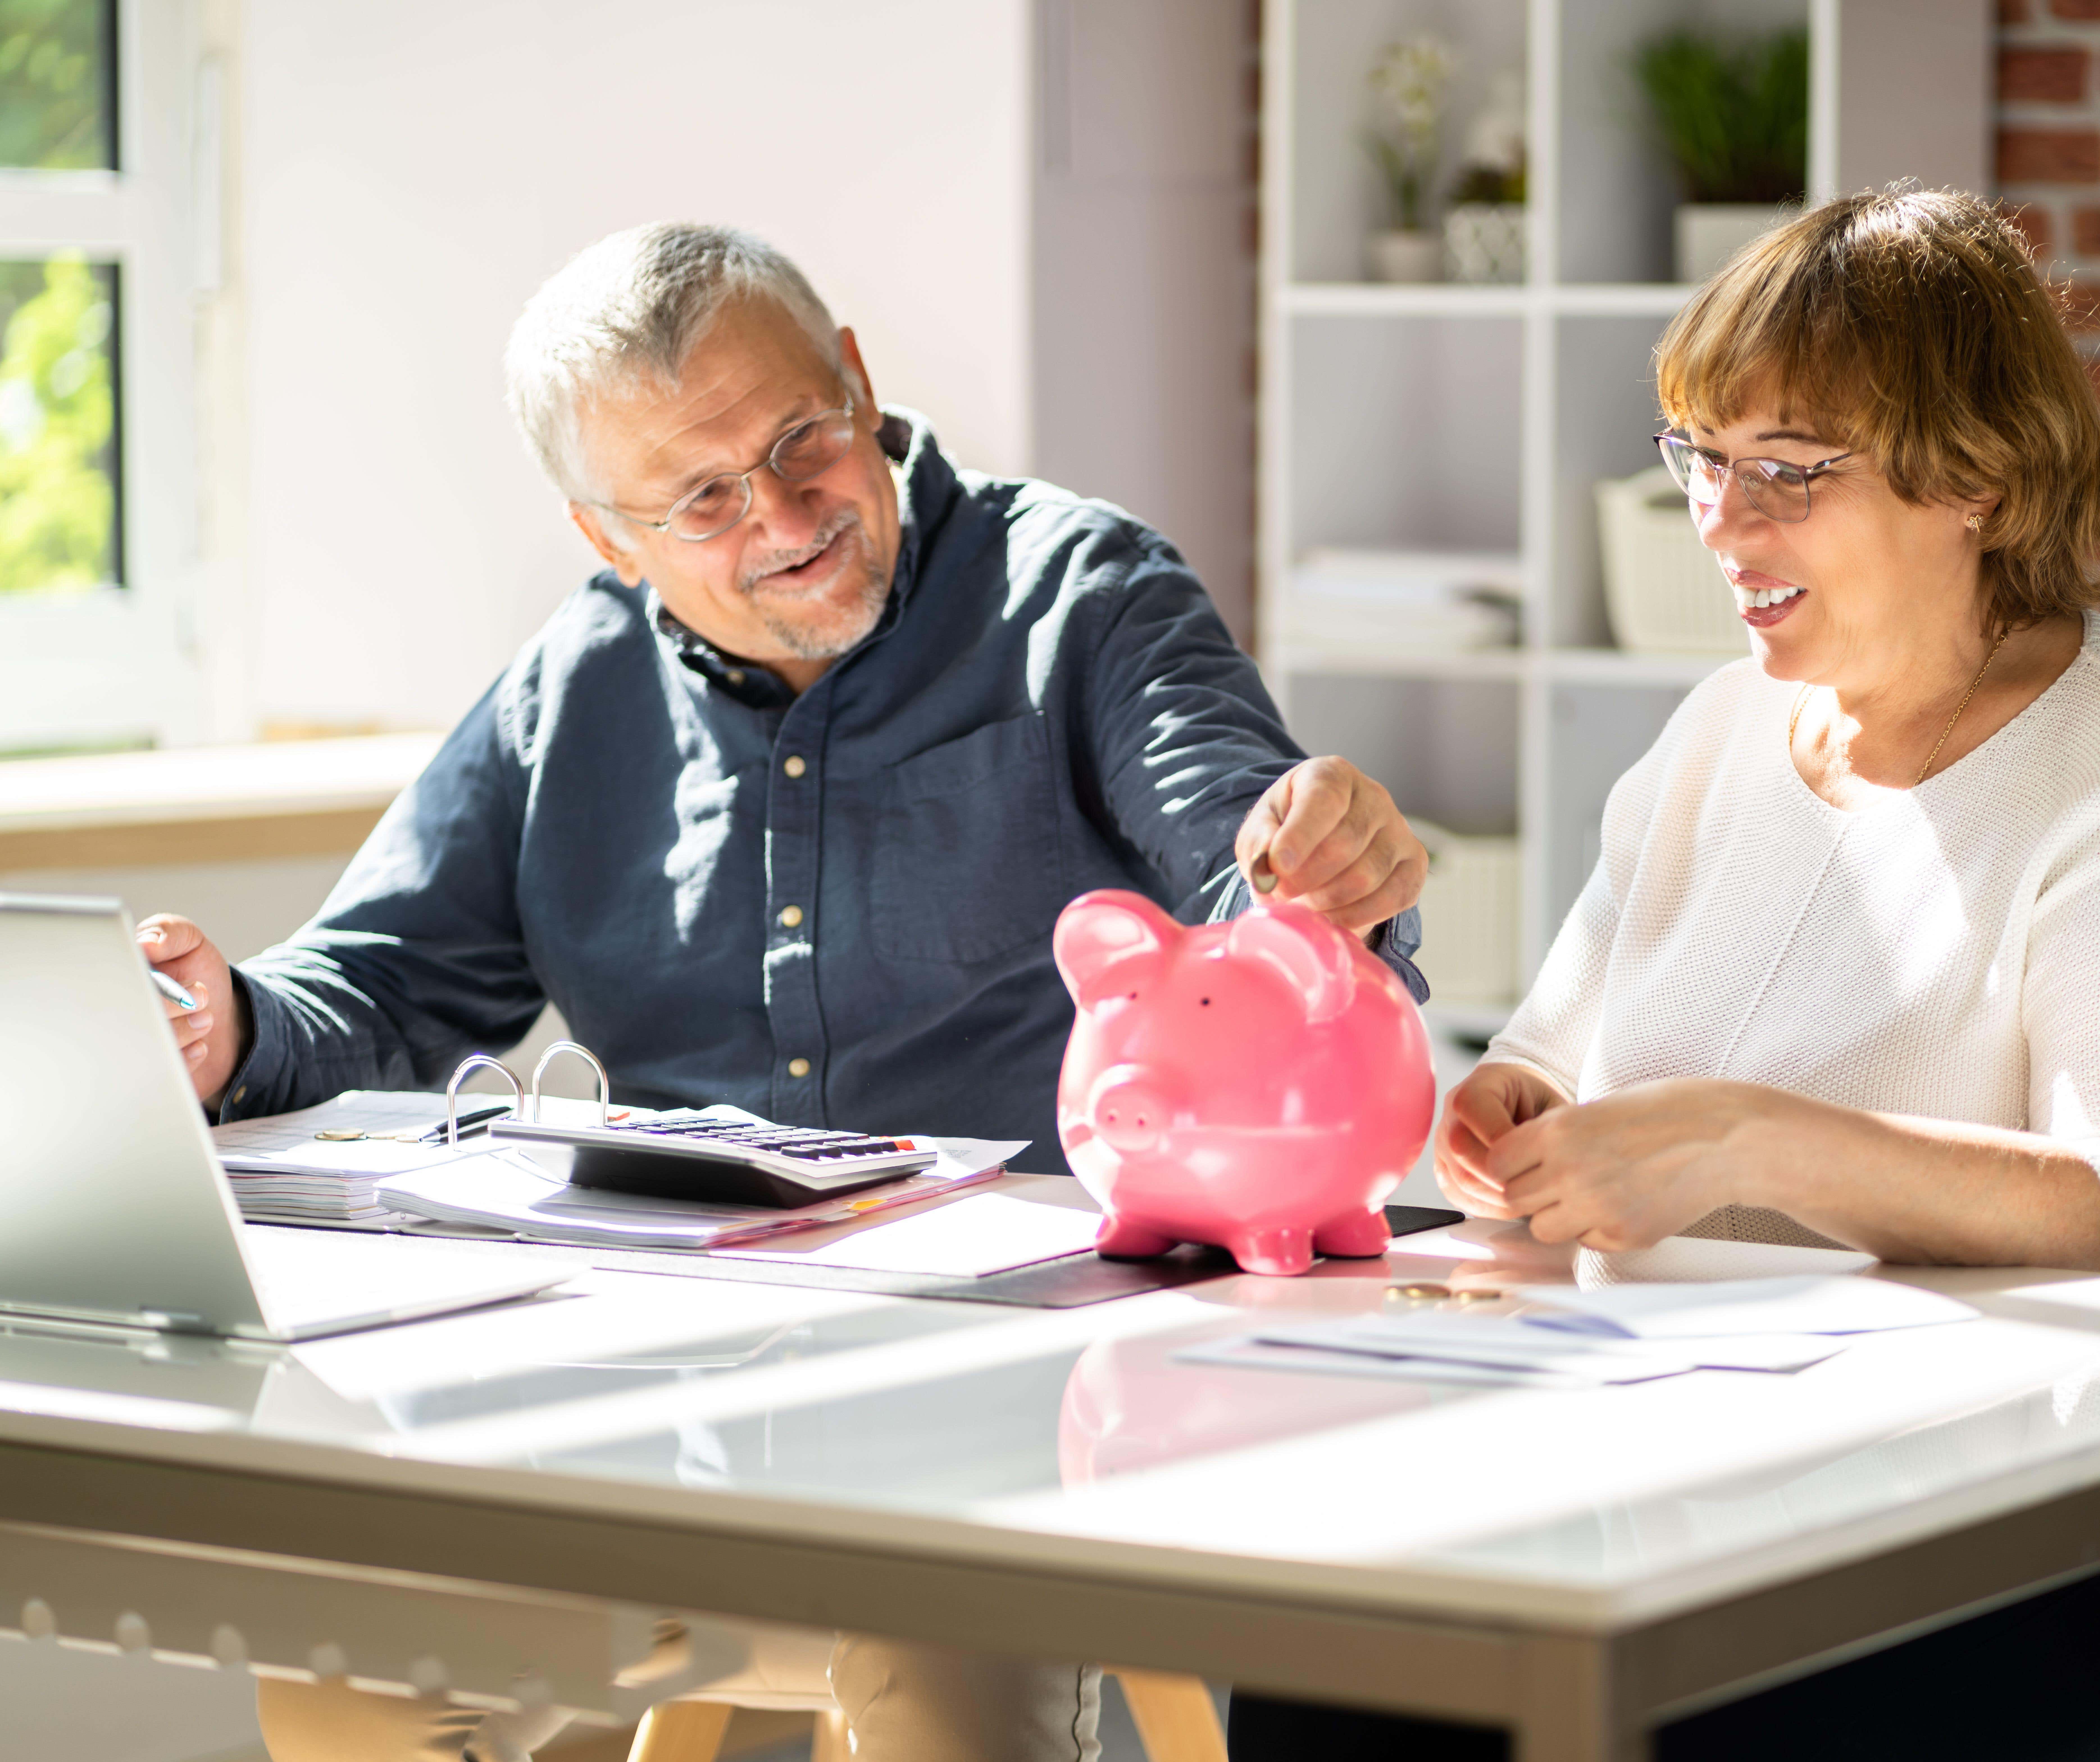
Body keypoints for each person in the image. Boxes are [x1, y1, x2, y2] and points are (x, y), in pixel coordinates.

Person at [140, 221, 1430, 1762]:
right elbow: (388, 984)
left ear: (860, 382)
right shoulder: (574, 690)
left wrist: (1313, 878)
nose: (783, 514)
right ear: (605, 537)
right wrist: (226, 1027)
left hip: (1023, 1396)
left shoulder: (1078, 595)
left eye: (804, 438)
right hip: (664, 1393)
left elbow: (1252, 866)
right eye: (701, 497)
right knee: (360, 1649)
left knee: (938, 1641)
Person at [1230, 189, 2100, 1761]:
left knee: (1709, 1724)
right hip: (1771, 1438)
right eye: (1703, 457)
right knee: (1339, 1668)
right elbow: (1557, 1056)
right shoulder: (1716, 738)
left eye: (1790, 473)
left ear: (1979, 477)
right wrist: (1517, 1117)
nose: (1723, 524)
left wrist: (1753, 1141)